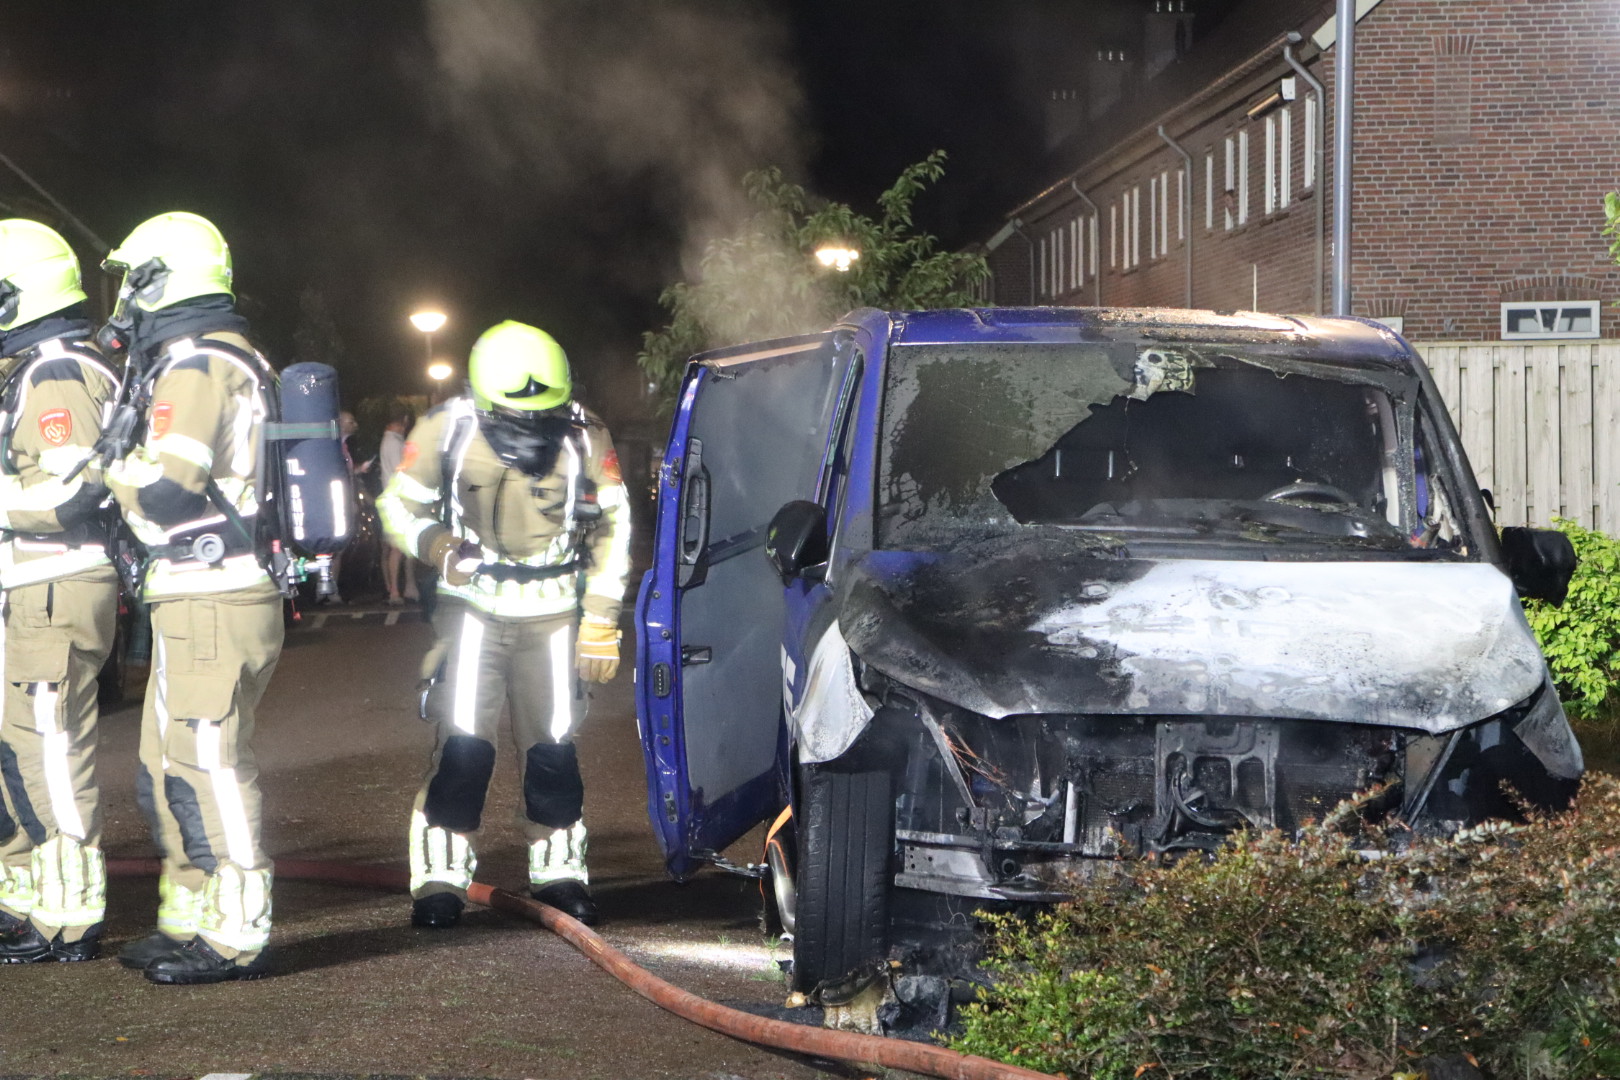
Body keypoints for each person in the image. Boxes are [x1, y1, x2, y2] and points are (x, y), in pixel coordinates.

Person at [377, 320, 630, 928]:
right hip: (474, 613)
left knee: (553, 747)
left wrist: (601, 617)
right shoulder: (446, 427)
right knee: (463, 745)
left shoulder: (585, 433)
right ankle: (440, 878)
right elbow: (396, 504)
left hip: (552, 613)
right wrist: (438, 545)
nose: (533, 431)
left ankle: (560, 873)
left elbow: (614, 525)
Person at [100, 211, 283, 984]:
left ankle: (238, 930)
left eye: (128, 280)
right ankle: (195, 915)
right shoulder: (215, 357)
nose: (119, 299)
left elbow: (169, 490)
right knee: (168, 763)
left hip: (214, 590)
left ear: (157, 281)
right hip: (197, 591)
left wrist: (100, 473)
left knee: (208, 764)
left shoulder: (199, 364)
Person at [0, 220, 120, 963]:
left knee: (48, 752)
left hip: (57, 580)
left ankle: (70, 913)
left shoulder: (55, 372)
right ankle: (27, 897)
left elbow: (73, 489)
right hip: (37, 582)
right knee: (20, 750)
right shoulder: (40, 367)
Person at [376, 408, 418, 604]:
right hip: (397, 500)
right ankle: (395, 590)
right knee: (398, 547)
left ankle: (408, 587)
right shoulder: (393, 442)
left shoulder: (392, 441)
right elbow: (400, 471)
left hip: (397, 498)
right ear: (405, 419)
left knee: (406, 546)